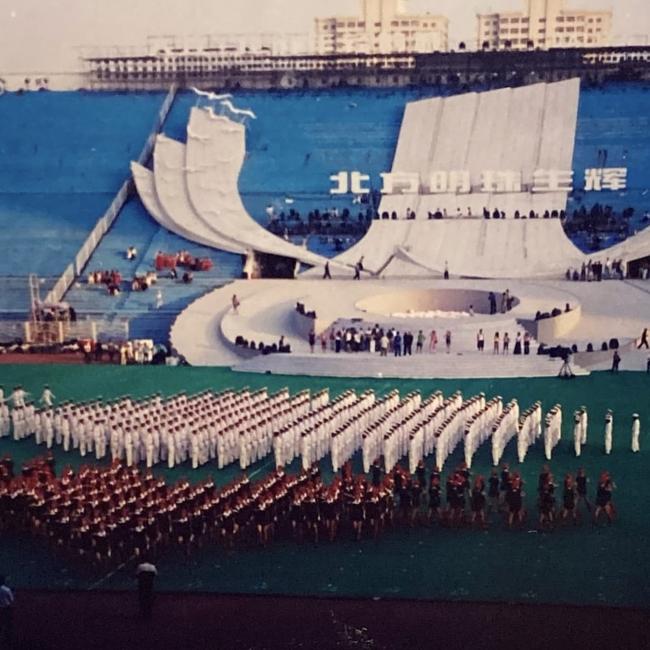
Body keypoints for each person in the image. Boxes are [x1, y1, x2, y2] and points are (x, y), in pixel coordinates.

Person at [0, 575, 13, 646]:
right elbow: (11, 600)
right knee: (6, 623)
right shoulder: (7, 589)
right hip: (6, 608)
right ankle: (4, 640)